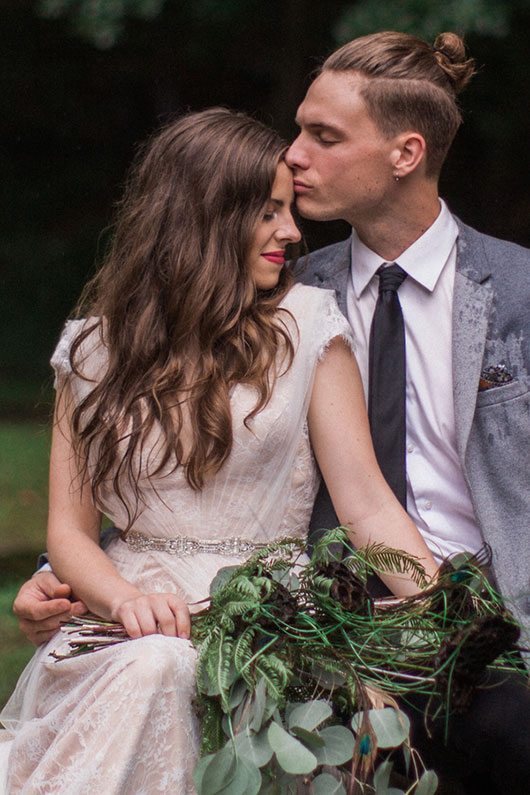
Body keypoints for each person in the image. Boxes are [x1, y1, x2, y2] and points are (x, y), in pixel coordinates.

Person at [0, 107, 438, 793]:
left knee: (169, 666)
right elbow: (69, 530)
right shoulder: (91, 351)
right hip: (126, 621)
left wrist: (445, 616)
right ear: (203, 218)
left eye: (288, 210)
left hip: (265, 624)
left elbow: (368, 506)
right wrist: (122, 599)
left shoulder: (310, 329)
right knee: (156, 663)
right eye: (267, 212)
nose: (291, 233)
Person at [284, 30, 530, 795]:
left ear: (406, 153)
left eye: (323, 137)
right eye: (299, 130)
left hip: (500, 628)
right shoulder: (289, 298)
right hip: (336, 631)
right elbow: (191, 451)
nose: (292, 154)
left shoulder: (519, 292)